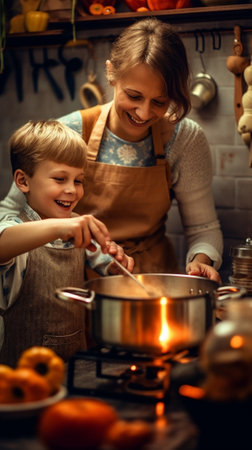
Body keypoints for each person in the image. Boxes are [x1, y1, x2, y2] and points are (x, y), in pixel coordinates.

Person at [0, 18, 223, 283]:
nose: (143, 113)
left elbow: (203, 229)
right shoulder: (69, 131)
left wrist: (201, 261)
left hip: (148, 280)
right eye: (134, 96)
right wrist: (62, 227)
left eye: (159, 102)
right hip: (73, 284)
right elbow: (9, 215)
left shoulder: (184, 138)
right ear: (111, 73)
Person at [0, 120, 134, 366]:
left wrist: (117, 265)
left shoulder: (76, 225)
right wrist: (60, 227)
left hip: (75, 367)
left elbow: (106, 262)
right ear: (23, 181)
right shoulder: (14, 227)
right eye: (60, 179)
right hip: (20, 378)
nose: (72, 190)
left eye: (78, 180)